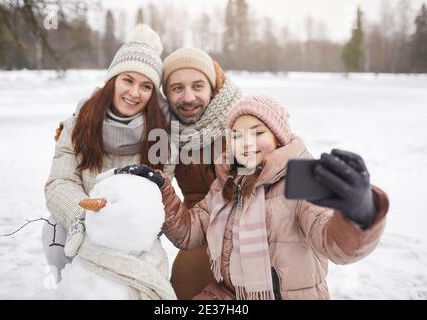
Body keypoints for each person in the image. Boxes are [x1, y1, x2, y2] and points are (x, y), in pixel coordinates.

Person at [126, 95, 389, 299]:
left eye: (257, 132)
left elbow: (335, 245)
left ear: (278, 136)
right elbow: (189, 232)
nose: (247, 143)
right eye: (238, 136)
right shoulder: (228, 184)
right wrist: (161, 189)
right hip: (229, 294)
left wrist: (359, 214)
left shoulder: (300, 181)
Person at [42, 24, 174, 278]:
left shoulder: (161, 136)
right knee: (53, 230)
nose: (134, 93)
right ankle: (70, 286)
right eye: (128, 80)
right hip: (80, 220)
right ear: (113, 80)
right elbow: (59, 181)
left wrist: (128, 217)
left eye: (146, 86)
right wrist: (82, 217)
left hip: (131, 228)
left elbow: (159, 197)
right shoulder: (78, 123)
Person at [161, 47, 242, 299]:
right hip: (198, 228)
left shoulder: (241, 119)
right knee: (184, 285)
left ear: (212, 88)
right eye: (177, 88)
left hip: (248, 227)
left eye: (198, 86)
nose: (188, 97)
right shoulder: (166, 130)